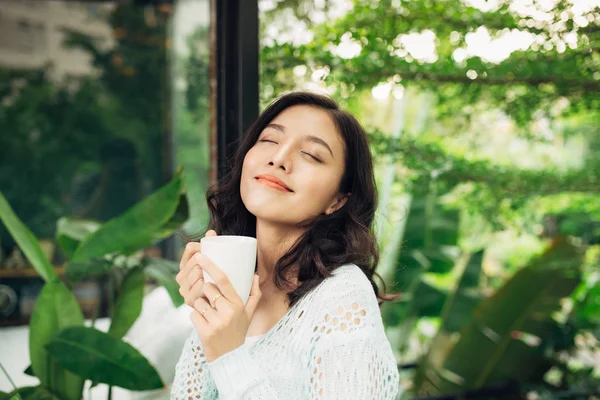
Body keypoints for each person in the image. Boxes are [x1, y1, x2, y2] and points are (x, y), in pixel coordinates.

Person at [171, 92, 400, 399]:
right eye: (269, 140)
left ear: (337, 200)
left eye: (312, 155)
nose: (279, 159)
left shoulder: (341, 298)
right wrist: (206, 316)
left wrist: (228, 355)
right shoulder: (231, 280)